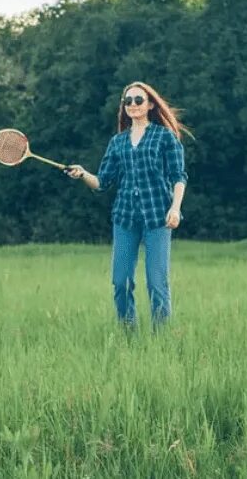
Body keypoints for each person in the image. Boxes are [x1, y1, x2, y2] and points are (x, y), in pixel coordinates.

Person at [65, 82, 189, 328]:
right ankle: (127, 331)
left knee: (156, 283)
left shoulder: (164, 137)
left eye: (138, 100)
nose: (132, 105)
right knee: (120, 281)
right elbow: (102, 182)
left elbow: (179, 176)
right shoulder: (118, 142)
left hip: (158, 217)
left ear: (150, 105)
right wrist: (83, 174)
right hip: (125, 218)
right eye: (128, 101)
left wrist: (175, 208)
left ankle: (161, 340)